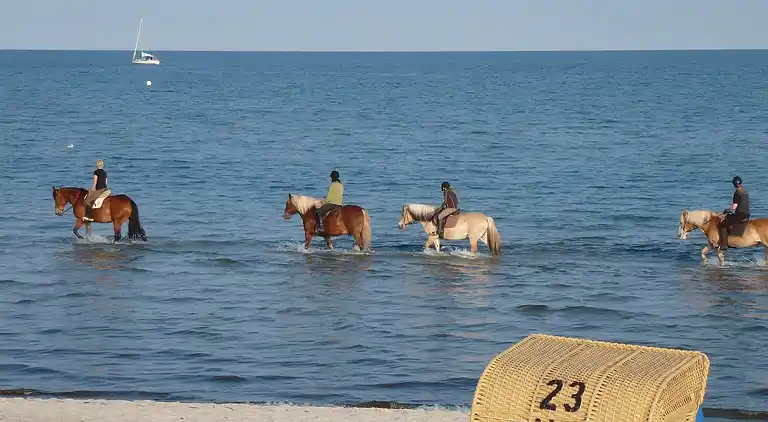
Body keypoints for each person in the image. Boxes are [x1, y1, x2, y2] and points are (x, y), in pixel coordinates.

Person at [718, 176, 750, 250]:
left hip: (740, 215)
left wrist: (727, 210)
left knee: (722, 224)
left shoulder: (737, 193)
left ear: (734, 184)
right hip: (747, 213)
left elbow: (734, 207)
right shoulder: (745, 191)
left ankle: (724, 245)